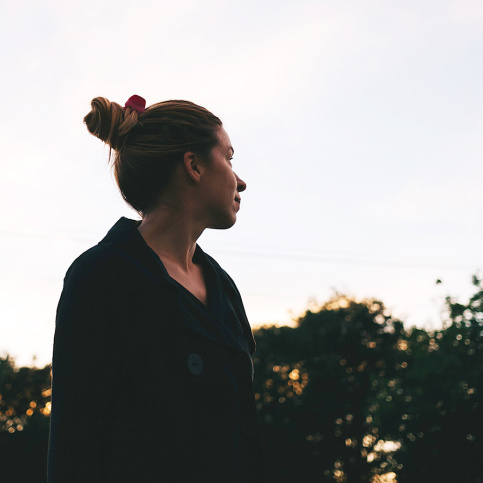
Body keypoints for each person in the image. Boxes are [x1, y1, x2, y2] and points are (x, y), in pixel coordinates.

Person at [47, 95, 268, 483]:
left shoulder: (223, 288)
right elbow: (73, 446)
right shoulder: (101, 276)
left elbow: (245, 441)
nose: (241, 180)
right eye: (229, 158)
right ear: (194, 165)